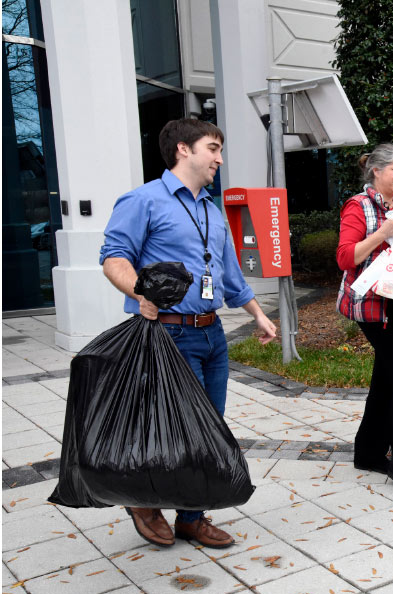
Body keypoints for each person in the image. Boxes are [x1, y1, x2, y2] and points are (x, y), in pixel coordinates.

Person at [100, 118, 277, 548]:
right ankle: (144, 500)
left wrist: (257, 314)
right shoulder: (143, 200)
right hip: (169, 334)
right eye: (213, 148)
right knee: (177, 428)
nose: (219, 158)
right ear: (183, 149)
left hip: (212, 335)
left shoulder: (210, 210)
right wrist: (138, 290)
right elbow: (113, 257)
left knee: (208, 428)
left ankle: (191, 517)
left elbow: (229, 273)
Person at [335, 143, 393, 492]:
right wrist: (382, 234)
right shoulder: (358, 207)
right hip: (372, 307)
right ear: (377, 171)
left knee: (387, 376)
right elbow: (346, 258)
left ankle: (369, 452)